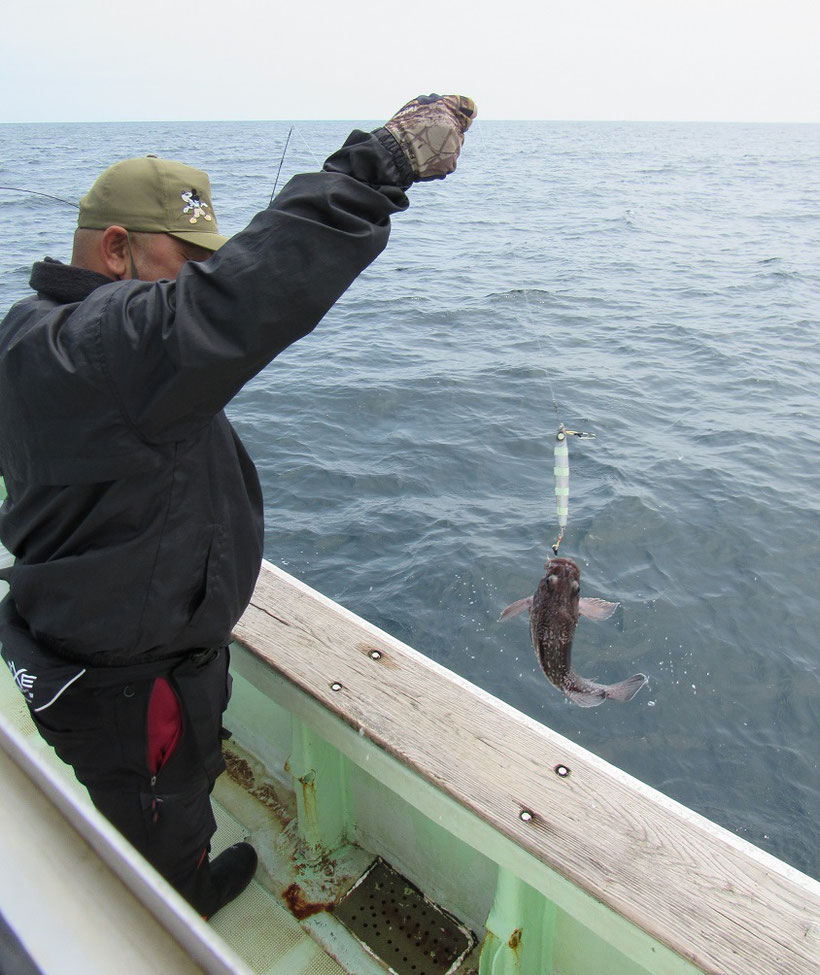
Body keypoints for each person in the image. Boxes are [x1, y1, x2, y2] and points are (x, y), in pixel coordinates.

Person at [0, 94, 476, 918]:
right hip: (131, 680)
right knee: (162, 811)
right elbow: (241, 301)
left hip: (105, 645)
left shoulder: (40, 332)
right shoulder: (99, 350)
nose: (200, 279)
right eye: (185, 260)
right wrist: (380, 166)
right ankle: (179, 894)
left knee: (166, 784)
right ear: (116, 249)